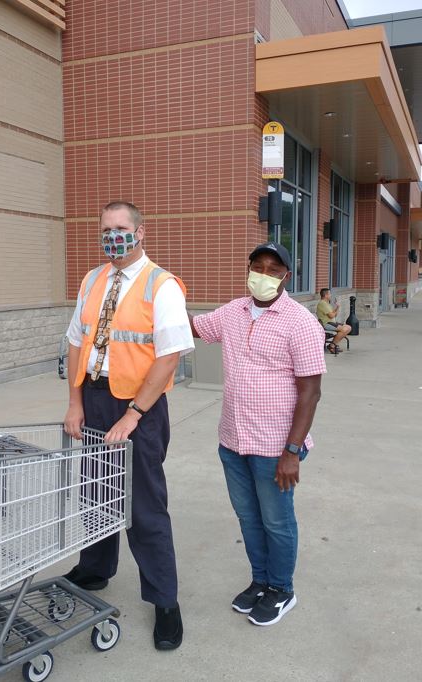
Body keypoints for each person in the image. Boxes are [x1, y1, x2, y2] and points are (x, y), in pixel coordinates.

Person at [63, 200, 194, 650]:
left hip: (139, 407)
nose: (111, 236)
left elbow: (170, 355)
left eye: (120, 228)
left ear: (141, 232)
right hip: (95, 400)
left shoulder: (162, 285)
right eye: (105, 229)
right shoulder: (93, 278)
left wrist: (134, 414)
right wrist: (75, 402)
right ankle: (96, 569)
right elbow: (76, 343)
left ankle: (165, 602)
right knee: (96, 491)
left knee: (143, 507)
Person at [190, 242, 326, 626]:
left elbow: (311, 392)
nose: (263, 275)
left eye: (273, 269)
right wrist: (158, 297)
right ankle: (260, 581)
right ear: (248, 269)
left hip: (275, 446)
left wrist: (292, 451)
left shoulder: (301, 322)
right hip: (233, 441)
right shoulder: (233, 311)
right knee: (249, 518)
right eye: (257, 266)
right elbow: (194, 327)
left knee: (277, 521)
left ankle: (282, 589)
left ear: (286, 275)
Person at [316, 288, 351, 354]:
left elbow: (334, 314)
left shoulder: (327, 304)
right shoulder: (322, 303)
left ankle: (334, 344)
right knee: (344, 329)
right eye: (329, 294)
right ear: (326, 295)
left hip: (332, 322)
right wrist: (334, 312)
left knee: (348, 328)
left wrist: (337, 307)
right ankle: (332, 346)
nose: (331, 295)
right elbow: (331, 316)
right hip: (326, 323)